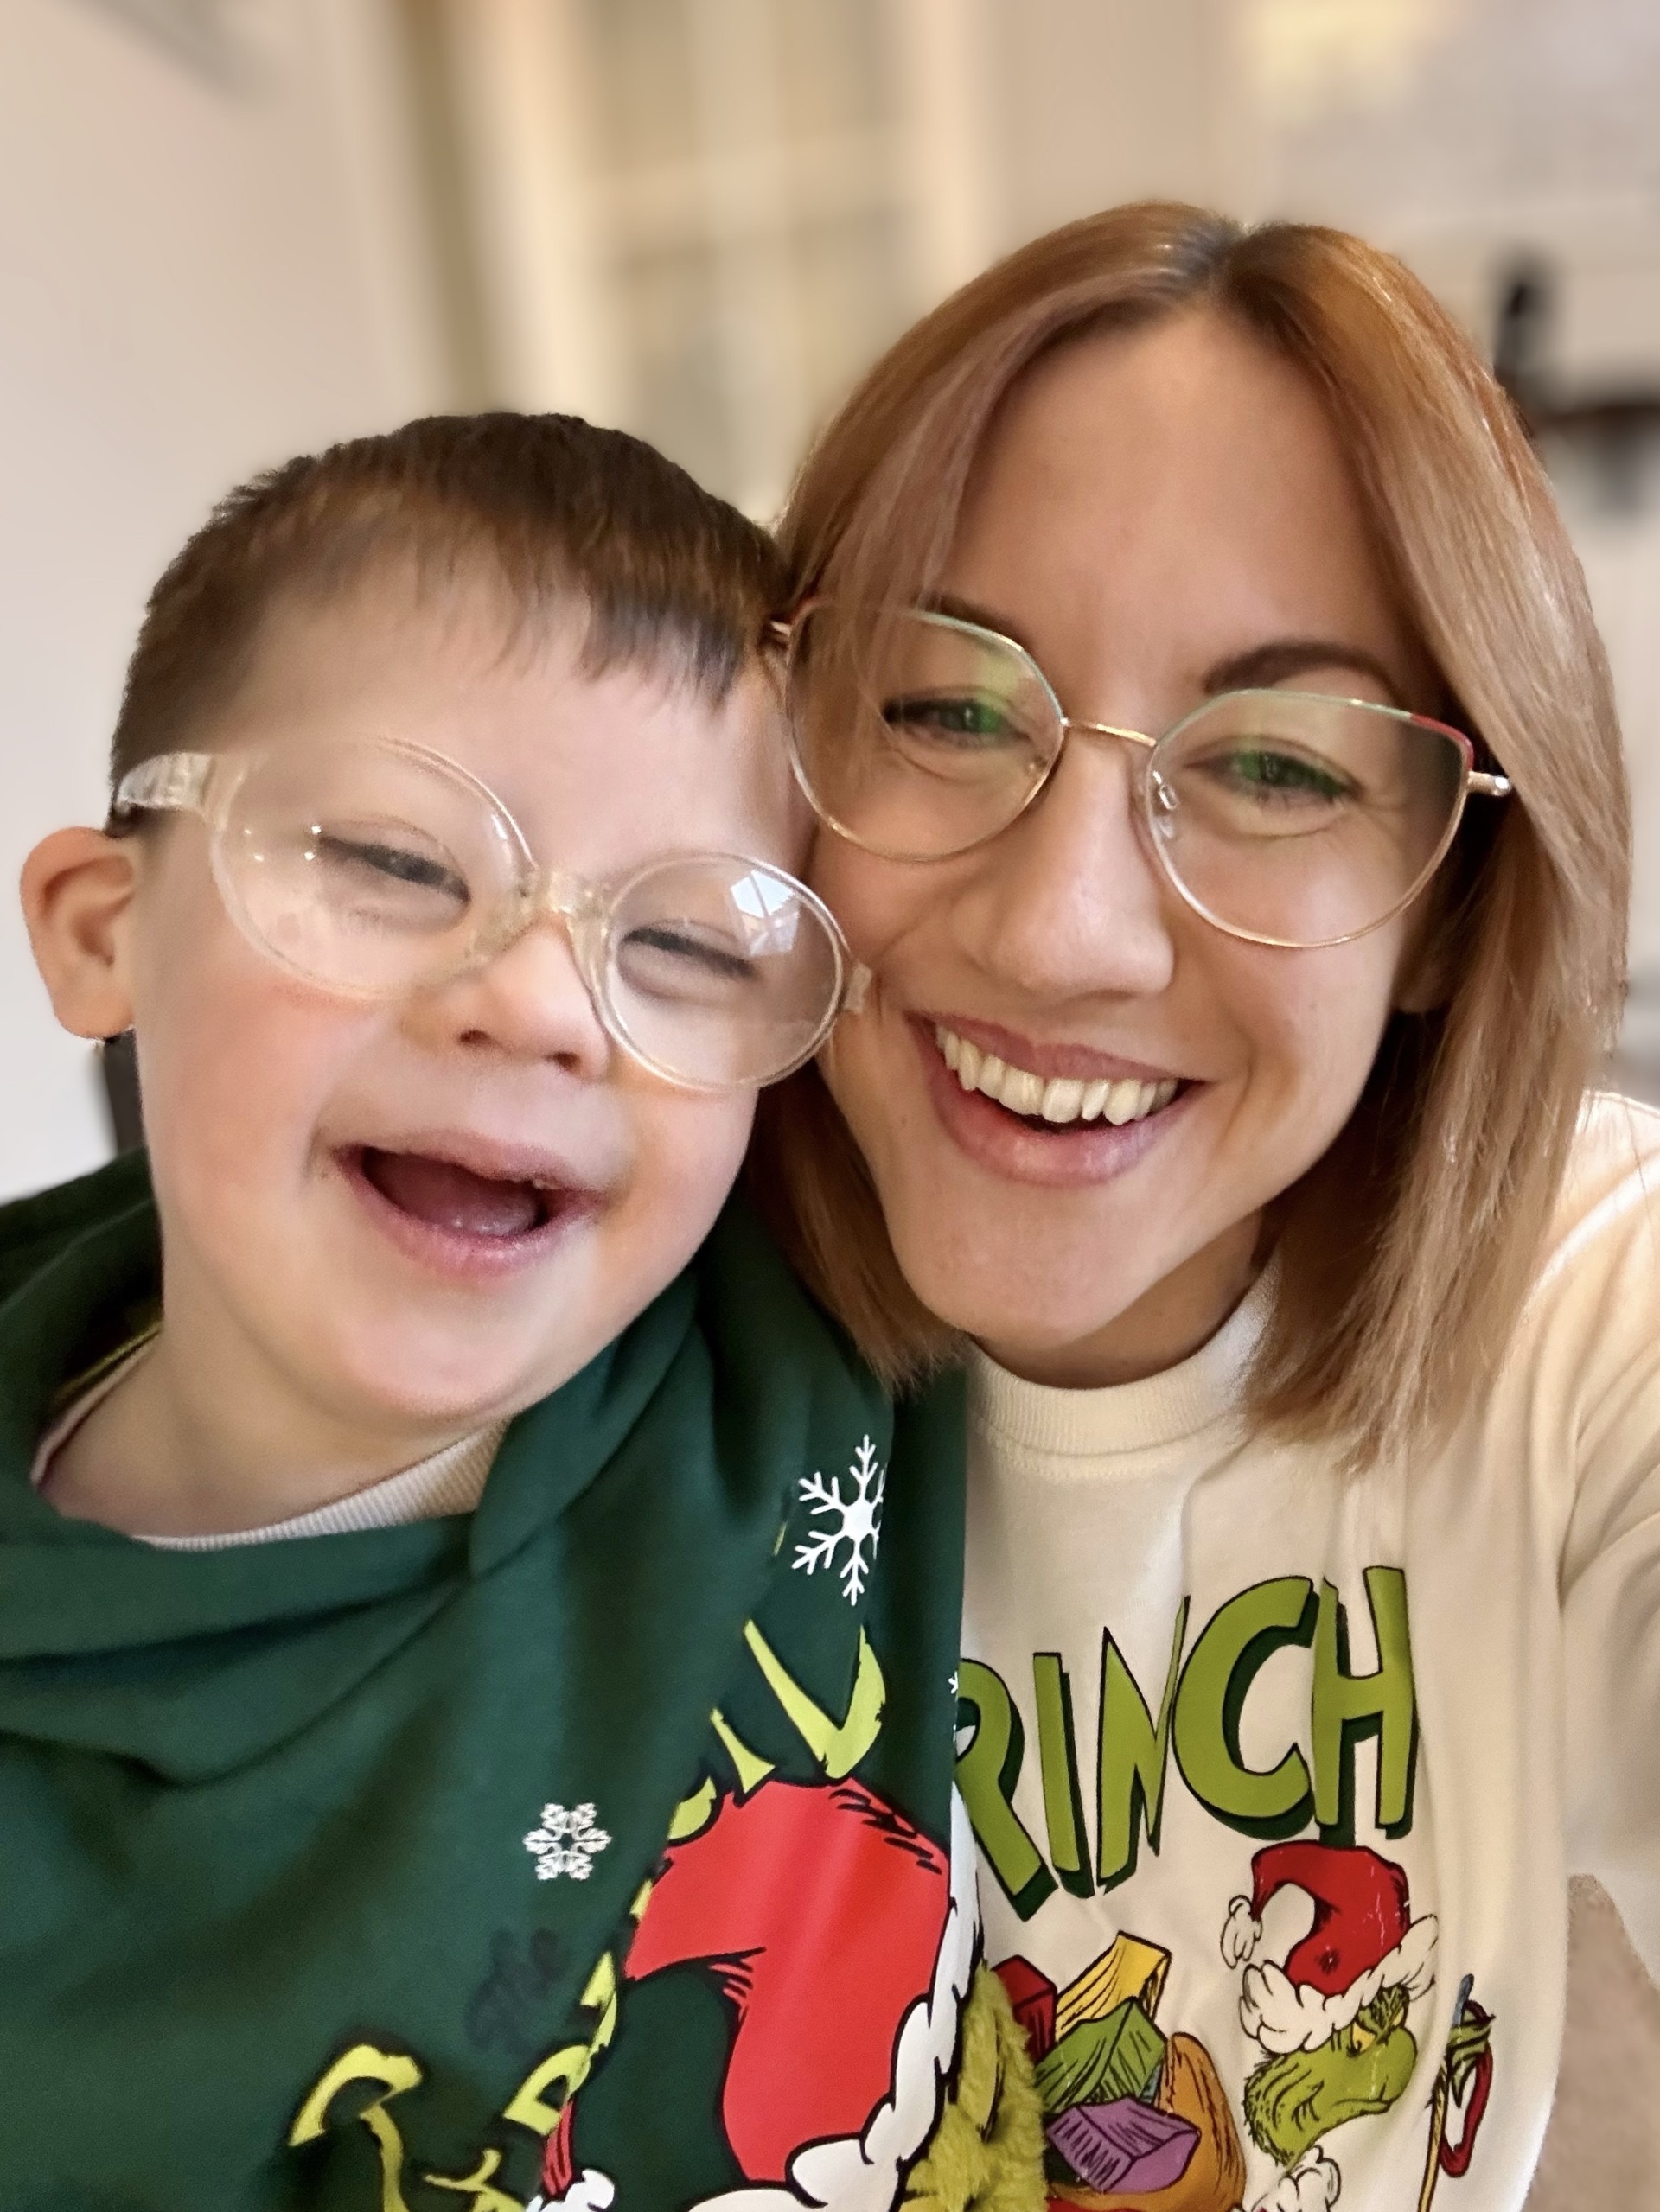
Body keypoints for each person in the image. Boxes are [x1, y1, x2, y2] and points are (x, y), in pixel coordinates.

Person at [753, 202, 1655, 2212]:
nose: (1061, 930)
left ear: (1448, 908)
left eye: (1276, 768)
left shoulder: (1587, 1312)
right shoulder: (576, 1304)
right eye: (945, 706)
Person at [0, 415, 1005, 2211]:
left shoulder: (834, 1311)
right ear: (100, 931)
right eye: (396, 863)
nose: (541, 1005)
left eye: (688, 945)